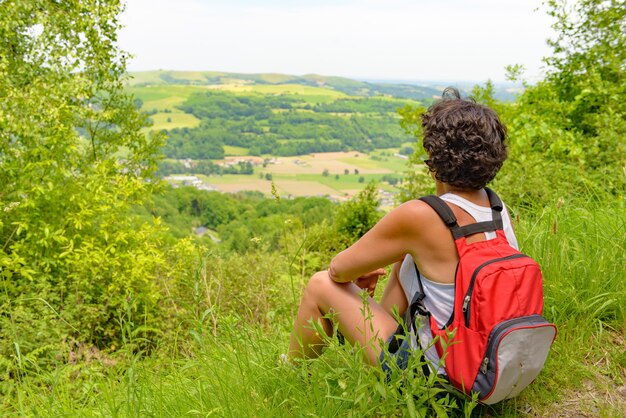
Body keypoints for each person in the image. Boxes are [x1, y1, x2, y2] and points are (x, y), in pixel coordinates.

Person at [287, 87, 518, 375]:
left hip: (443, 377)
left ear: (434, 158)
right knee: (406, 259)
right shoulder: (497, 208)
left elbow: (338, 271)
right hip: (492, 363)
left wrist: (358, 278)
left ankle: (289, 373)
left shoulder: (422, 215)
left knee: (320, 283)